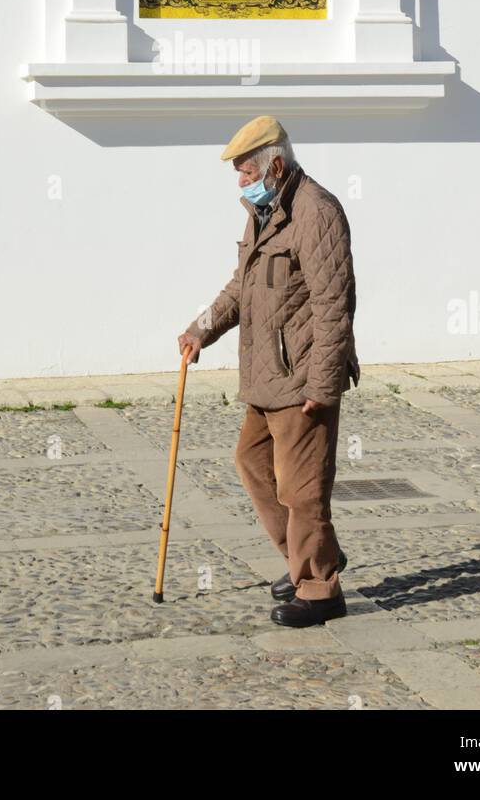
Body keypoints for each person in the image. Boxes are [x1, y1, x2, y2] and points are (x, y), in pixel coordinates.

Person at [177, 116, 360, 627]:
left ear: (274, 165)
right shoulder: (265, 213)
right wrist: (201, 329)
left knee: (302, 492)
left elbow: (334, 305)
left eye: (245, 172)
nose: (241, 182)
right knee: (253, 464)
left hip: (301, 380)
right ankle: (312, 556)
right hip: (265, 379)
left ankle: (321, 590)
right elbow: (241, 286)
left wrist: (323, 386)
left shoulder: (316, 213)